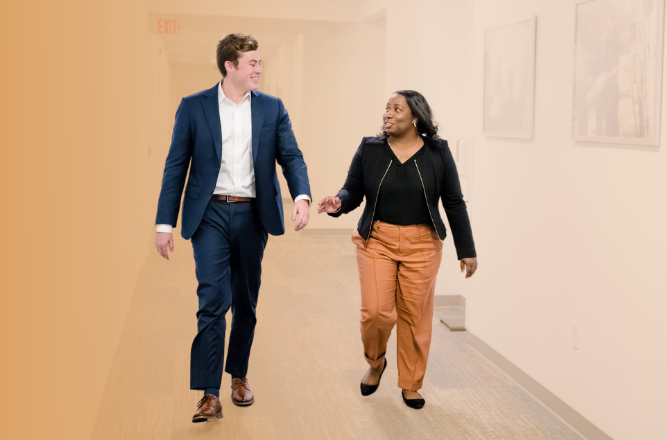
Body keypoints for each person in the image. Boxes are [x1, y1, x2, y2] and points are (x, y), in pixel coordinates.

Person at [154, 33, 312, 422]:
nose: (260, 69)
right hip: (208, 214)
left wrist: (302, 196)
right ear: (231, 66)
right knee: (211, 301)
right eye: (253, 63)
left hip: (252, 215)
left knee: (245, 300)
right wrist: (164, 223)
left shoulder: (272, 108)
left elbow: (291, 156)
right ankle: (209, 393)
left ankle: (238, 376)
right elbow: (176, 166)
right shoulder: (194, 107)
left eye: (259, 62)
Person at [317, 90, 477, 409]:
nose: (388, 113)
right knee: (376, 312)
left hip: (423, 244)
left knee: (414, 316)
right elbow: (352, 189)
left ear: (416, 117)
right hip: (377, 240)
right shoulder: (370, 148)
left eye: (396, 109)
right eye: (386, 108)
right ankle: (376, 362)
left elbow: (454, 201)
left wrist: (466, 248)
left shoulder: (437, 152)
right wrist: (338, 202)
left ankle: (411, 383)